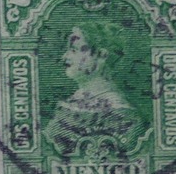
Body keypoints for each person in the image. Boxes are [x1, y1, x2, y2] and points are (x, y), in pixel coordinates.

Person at [44, 20, 148, 161]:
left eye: (74, 50)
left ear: (101, 56)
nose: (65, 57)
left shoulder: (122, 115)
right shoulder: (71, 103)